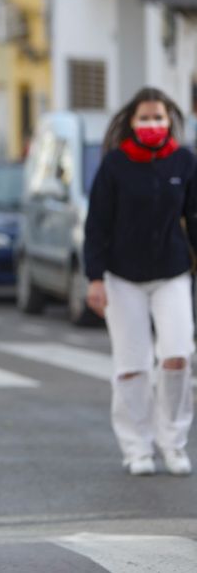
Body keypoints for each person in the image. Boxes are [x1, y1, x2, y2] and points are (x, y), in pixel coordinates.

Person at [84, 87, 197, 477]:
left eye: (159, 118)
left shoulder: (184, 162)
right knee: (132, 365)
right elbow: (96, 224)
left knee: (178, 355)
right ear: (131, 123)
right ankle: (137, 448)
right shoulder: (115, 165)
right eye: (145, 119)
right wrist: (94, 278)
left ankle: (174, 441)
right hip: (122, 277)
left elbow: (194, 218)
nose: (153, 125)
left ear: (170, 122)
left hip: (172, 272)